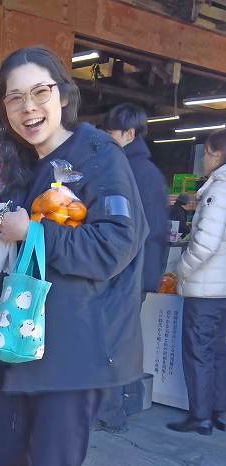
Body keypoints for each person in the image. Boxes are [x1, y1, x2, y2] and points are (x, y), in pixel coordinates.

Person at [0, 47, 147, 466]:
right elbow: (18, 266)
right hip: (23, 340)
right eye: (14, 98)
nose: (29, 107)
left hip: (77, 345)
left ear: (63, 95)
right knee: (7, 456)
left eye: (39, 92)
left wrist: (31, 232)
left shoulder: (97, 156)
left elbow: (116, 245)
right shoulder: (26, 167)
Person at [98, 103, 169, 430]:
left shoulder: (127, 170)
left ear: (129, 133)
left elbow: (124, 230)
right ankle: (119, 408)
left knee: (110, 341)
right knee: (123, 341)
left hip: (124, 272)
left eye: (112, 132)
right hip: (138, 273)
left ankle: (111, 414)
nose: (108, 138)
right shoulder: (149, 172)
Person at [167, 130, 226, 436]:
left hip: (206, 289)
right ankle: (220, 412)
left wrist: (181, 269)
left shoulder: (218, 190)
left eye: (206, 153)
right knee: (220, 351)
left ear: (216, 154)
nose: (204, 159)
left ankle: (200, 416)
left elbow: (204, 245)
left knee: (199, 351)